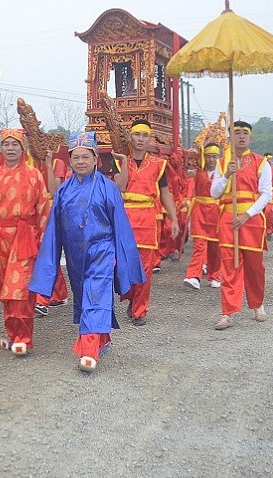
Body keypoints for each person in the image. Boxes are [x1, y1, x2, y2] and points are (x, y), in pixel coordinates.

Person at [30, 131, 144, 372]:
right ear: (70, 161)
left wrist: (125, 259)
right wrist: (49, 260)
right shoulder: (63, 190)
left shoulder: (108, 187)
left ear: (96, 160)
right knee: (85, 297)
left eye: (85, 157)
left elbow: (121, 225)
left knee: (96, 292)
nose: (80, 161)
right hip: (74, 254)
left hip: (102, 251)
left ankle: (88, 351)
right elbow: (54, 228)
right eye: (76, 157)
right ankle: (101, 339)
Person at [0, 128, 50, 356]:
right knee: (7, 293)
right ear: (1, 148)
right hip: (0, 239)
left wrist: (46, 242)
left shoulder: (34, 174)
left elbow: (44, 208)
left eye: (14, 144)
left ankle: (24, 338)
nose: (10, 148)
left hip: (26, 237)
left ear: (22, 147)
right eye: (6, 144)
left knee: (21, 290)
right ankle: (13, 334)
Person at [113, 119, 180, 326]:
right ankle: (132, 297)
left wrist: (174, 217)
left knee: (145, 266)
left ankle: (140, 310)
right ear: (130, 137)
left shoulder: (159, 165)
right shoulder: (118, 160)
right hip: (124, 217)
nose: (140, 139)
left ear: (149, 139)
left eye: (144, 135)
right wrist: (124, 162)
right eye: (136, 135)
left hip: (148, 218)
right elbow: (120, 188)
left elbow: (165, 192)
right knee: (121, 265)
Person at [211, 121, 272, 331]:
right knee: (229, 266)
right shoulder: (222, 163)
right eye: (237, 133)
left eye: (245, 133)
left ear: (251, 138)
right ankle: (227, 312)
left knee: (255, 267)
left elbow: (266, 193)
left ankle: (257, 304)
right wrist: (227, 174)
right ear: (230, 137)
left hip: (251, 221)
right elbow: (214, 193)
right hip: (228, 221)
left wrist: (247, 215)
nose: (241, 136)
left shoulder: (260, 162)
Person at [33, 150, 70, 316]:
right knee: (44, 255)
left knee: (45, 254)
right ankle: (60, 293)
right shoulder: (28, 164)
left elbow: (55, 192)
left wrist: (47, 164)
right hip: (32, 213)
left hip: (50, 211)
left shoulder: (57, 164)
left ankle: (41, 299)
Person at [183, 143, 223, 290]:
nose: (211, 160)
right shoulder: (197, 172)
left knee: (215, 247)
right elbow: (185, 164)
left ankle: (215, 275)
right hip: (200, 211)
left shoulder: (223, 174)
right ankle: (193, 275)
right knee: (199, 244)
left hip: (216, 212)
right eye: (208, 156)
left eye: (214, 156)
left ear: (218, 157)